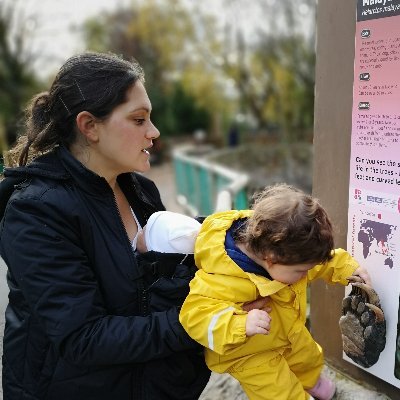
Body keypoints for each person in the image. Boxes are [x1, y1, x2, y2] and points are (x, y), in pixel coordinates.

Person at [0, 52, 210, 400]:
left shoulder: (142, 191)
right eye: (139, 119)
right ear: (89, 126)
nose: (154, 133)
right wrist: (204, 324)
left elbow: (155, 288)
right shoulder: (35, 212)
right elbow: (82, 338)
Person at [177, 184, 372, 400]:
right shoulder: (221, 276)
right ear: (271, 259)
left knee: (307, 357)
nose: (304, 276)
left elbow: (315, 263)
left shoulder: (281, 247)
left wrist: (346, 268)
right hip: (249, 353)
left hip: (285, 329)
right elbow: (195, 316)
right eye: (300, 271)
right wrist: (239, 324)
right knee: (279, 392)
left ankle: (311, 382)